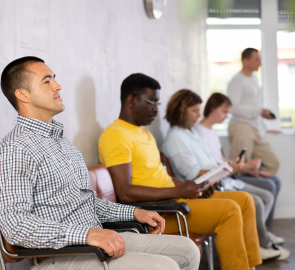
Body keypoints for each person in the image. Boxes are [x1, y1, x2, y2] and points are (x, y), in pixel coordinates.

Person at [0, 57, 200, 270]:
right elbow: (16, 226)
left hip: (93, 242)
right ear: (22, 95)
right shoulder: (16, 148)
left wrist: (133, 213)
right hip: (60, 256)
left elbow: (86, 203)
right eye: (46, 81)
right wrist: (87, 234)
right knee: (163, 266)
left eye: (54, 79)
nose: (58, 86)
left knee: (187, 250)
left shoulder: (63, 143)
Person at [98, 73, 262, 270]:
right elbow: (124, 192)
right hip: (160, 213)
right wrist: (180, 192)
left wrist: (193, 187)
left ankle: (250, 266)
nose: (156, 110)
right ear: (131, 100)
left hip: (173, 201)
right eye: (152, 102)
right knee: (229, 211)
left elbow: (162, 178)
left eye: (158, 103)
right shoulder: (116, 135)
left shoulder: (144, 133)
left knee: (244, 199)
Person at [162, 89, 289, 261]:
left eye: (199, 110)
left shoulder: (189, 133)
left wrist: (231, 169)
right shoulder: (176, 138)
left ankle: (257, 246)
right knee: (254, 200)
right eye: (194, 111)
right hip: (203, 189)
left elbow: (212, 162)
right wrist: (232, 170)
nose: (198, 115)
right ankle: (258, 247)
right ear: (181, 110)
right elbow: (195, 175)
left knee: (253, 198)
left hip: (214, 183)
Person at [195, 93, 288, 254]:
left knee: (267, 192)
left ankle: (260, 235)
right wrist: (241, 168)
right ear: (212, 108)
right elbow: (212, 164)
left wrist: (243, 167)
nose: (226, 116)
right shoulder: (199, 132)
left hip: (227, 176)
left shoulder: (211, 131)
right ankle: (259, 241)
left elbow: (221, 159)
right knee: (262, 197)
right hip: (220, 181)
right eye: (224, 112)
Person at [227, 47, 279, 175]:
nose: (260, 63)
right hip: (242, 127)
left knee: (272, 163)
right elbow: (232, 107)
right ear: (246, 61)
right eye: (256, 59)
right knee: (239, 168)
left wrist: (265, 127)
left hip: (255, 129)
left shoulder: (254, 79)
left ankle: (258, 191)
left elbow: (254, 107)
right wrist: (259, 111)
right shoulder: (237, 80)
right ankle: (245, 194)